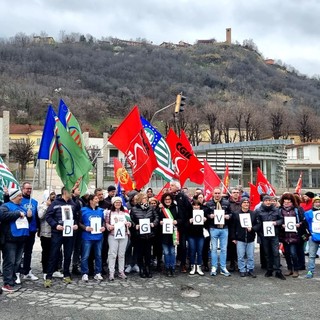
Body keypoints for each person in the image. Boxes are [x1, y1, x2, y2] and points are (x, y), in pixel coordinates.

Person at [44, 187, 79, 288]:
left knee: (68, 254)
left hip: (69, 233)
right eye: (70, 191)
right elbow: (48, 216)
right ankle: (49, 277)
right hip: (58, 233)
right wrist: (55, 225)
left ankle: (66, 274)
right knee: (54, 254)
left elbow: (76, 217)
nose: (72, 193)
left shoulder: (73, 203)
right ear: (64, 192)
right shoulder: (55, 203)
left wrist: (76, 224)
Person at [0, 188, 31, 292]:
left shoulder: (21, 206)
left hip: (21, 239)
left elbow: (25, 220)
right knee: (10, 261)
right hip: (10, 239)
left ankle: (12, 280)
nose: (22, 197)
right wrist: (17, 213)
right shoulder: (5, 206)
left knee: (17, 262)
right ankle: (7, 283)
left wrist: (29, 216)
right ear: (13, 197)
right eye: (19, 196)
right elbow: (3, 216)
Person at [255, 195, 285, 280]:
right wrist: (260, 232)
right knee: (267, 253)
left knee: (275, 252)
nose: (268, 202)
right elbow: (257, 222)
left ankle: (278, 270)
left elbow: (281, 219)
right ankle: (269, 269)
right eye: (266, 200)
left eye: (269, 200)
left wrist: (276, 222)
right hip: (264, 235)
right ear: (263, 202)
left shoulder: (276, 210)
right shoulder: (258, 211)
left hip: (274, 234)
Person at [130, 192, 159, 278]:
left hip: (149, 235)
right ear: (139, 199)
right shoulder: (134, 209)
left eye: (146, 198)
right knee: (140, 253)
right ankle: (141, 268)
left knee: (148, 253)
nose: (146, 199)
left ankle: (148, 268)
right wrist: (136, 226)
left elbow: (156, 217)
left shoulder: (151, 208)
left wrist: (153, 223)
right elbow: (131, 220)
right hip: (139, 235)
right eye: (144, 198)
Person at [230, 198, 259, 278]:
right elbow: (233, 227)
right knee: (240, 255)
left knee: (250, 256)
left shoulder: (253, 213)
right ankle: (242, 269)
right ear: (241, 204)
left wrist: (252, 228)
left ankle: (250, 269)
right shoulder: (236, 214)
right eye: (244, 202)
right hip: (240, 238)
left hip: (250, 238)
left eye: (247, 202)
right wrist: (233, 238)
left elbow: (258, 225)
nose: (246, 204)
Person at [79, 194, 105, 282]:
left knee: (99, 255)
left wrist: (103, 227)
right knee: (85, 256)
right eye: (96, 199)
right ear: (90, 201)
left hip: (98, 237)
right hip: (87, 237)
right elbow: (79, 222)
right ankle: (85, 273)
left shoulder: (101, 210)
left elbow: (104, 221)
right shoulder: (83, 210)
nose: (98, 200)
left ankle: (98, 272)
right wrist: (85, 228)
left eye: (98, 199)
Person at [206, 187, 232, 277]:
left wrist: (228, 216)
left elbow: (231, 213)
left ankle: (223, 267)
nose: (217, 195)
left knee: (223, 249)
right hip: (213, 228)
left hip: (224, 228)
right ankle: (214, 266)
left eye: (218, 193)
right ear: (213, 194)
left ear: (221, 193)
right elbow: (205, 215)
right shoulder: (209, 204)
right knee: (213, 248)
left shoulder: (226, 203)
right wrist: (210, 216)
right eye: (215, 193)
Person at [105, 196, 132, 281]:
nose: (118, 204)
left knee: (121, 254)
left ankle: (121, 271)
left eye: (119, 202)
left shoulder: (125, 212)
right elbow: (106, 223)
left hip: (124, 235)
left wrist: (129, 224)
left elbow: (130, 222)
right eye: (116, 202)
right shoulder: (109, 212)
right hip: (113, 235)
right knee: (112, 254)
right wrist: (109, 227)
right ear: (113, 203)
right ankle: (111, 272)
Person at [169, 180, 192, 273]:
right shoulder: (169, 197)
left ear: (177, 187)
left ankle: (183, 264)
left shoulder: (183, 197)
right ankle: (170, 264)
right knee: (170, 245)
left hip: (182, 226)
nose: (170, 187)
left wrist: (187, 222)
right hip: (171, 225)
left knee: (182, 245)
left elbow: (189, 210)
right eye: (170, 185)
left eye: (172, 185)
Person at [20, 182, 39, 281]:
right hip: (21, 231)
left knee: (28, 252)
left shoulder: (34, 202)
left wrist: (38, 228)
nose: (29, 190)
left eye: (30, 188)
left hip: (31, 231)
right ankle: (18, 272)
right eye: (27, 188)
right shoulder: (19, 200)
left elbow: (37, 216)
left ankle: (27, 271)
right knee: (19, 252)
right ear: (23, 189)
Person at [159, 193, 181, 277]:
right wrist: (160, 222)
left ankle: (173, 267)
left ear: (171, 200)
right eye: (166, 200)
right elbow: (156, 218)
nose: (167, 201)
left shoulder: (176, 208)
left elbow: (181, 218)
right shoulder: (161, 209)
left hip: (173, 233)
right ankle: (167, 268)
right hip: (164, 234)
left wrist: (177, 221)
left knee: (172, 251)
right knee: (166, 252)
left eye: (169, 199)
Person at [38, 191, 57, 280]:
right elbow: (40, 216)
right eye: (51, 195)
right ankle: (45, 270)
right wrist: (47, 206)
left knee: (55, 252)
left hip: (55, 233)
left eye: (54, 195)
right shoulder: (42, 206)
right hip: (45, 233)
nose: (53, 197)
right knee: (46, 252)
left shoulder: (55, 205)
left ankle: (53, 269)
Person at [187, 200, 207, 276]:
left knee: (200, 251)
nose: (196, 206)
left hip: (200, 235)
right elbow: (186, 224)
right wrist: (189, 221)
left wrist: (205, 220)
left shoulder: (202, 212)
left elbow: (206, 225)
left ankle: (199, 266)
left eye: (198, 205)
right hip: (191, 235)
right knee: (192, 251)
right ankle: (192, 266)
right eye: (194, 205)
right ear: (192, 206)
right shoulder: (189, 213)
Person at [304, 196, 320, 279]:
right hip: (313, 236)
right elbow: (305, 224)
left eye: (319, 202)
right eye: (316, 202)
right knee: (312, 255)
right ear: (313, 203)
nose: (318, 203)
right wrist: (309, 234)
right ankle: (310, 270)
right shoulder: (308, 213)